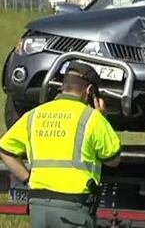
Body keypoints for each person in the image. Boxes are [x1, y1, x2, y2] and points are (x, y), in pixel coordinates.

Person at [0, 61, 122, 228]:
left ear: (63, 87)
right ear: (89, 91)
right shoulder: (91, 118)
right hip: (73, 207)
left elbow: (5, 150)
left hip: (39, 205)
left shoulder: (35, 115)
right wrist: (102, 118)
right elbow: (113, 159)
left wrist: (28, 178)